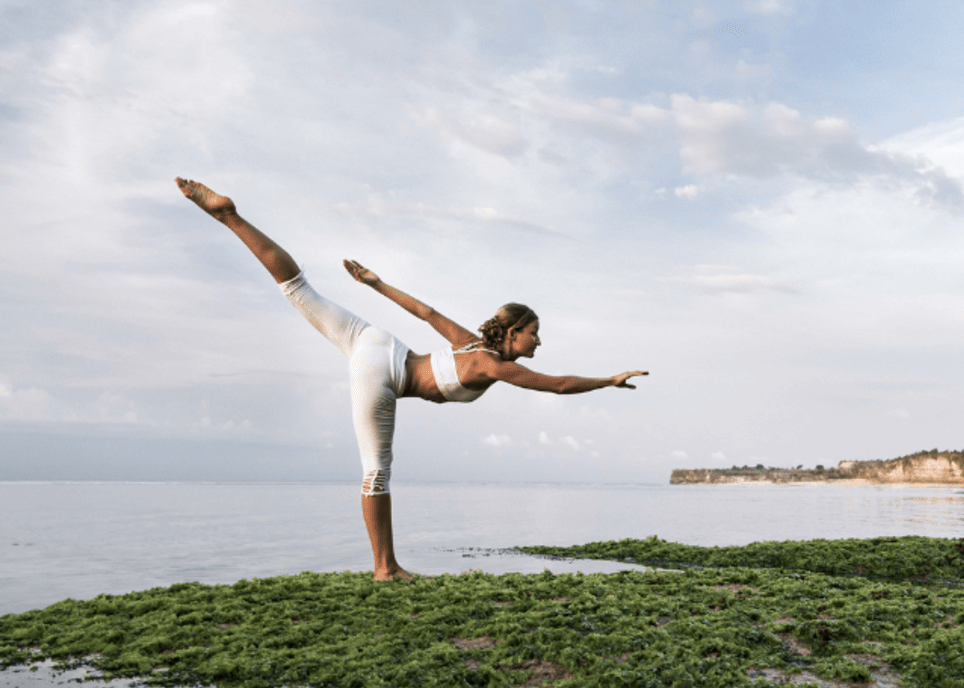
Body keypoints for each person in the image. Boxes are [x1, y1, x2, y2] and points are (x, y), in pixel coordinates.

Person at [176, 178, 648, 579]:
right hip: (383, 372)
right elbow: (558, 385)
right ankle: (385, 569)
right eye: (534, 335)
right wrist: (608, 380)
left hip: (376, 341)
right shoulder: (494, 365)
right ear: (514, 332)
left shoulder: (469, 341)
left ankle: (230, 217)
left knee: (299, 289)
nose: (538, 343)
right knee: (376, 472)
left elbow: (426, 312)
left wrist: (375, 284)